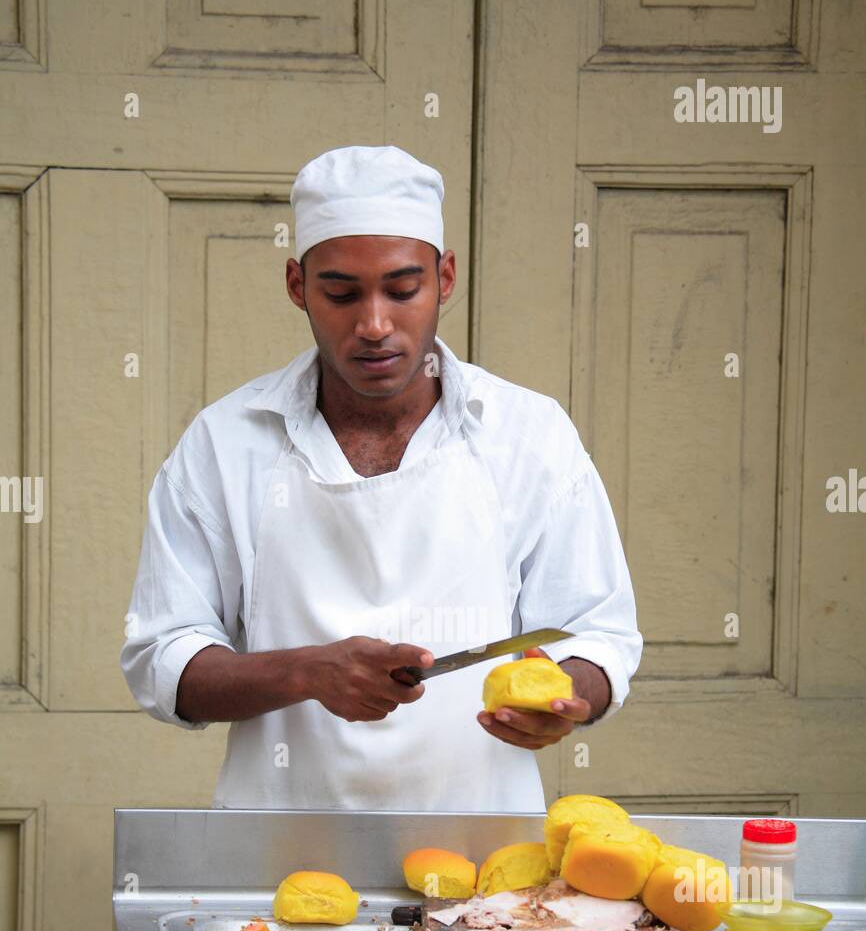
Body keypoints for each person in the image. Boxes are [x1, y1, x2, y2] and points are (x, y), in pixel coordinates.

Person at [120, 145, 642, 810]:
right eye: (340, 293)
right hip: (276, 866)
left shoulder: (529, 435)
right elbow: (164, 655)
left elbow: (597, 632)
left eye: (403, 290)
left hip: (486, 871)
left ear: (445, 278)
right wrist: (307, 671)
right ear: (296, 286)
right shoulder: (224, 443)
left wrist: (569, 697)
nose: (374, 325)